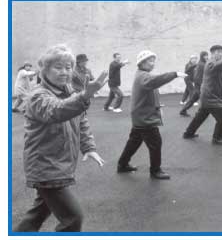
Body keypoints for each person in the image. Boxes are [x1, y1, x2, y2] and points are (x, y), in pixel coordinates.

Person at [13, 44, 108, 232]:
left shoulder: (70, 92)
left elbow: (81, 121)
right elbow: (55, 111)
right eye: (58, 67)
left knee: (37, 215)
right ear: (45, 70)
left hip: (59, 165)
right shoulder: (37, 96)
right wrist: (85, 95)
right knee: (73, 218)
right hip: (45, 167)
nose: (65, 72)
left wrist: (89, 147)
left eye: (68, 67)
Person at [116, 50, 188, 179]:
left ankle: (122, 164)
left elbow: (150, 90)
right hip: (144, 118)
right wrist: (174, 74)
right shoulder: (143, 76)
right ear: (142, 62)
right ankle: (155, 171)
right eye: (150, 60)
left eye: (153, 60)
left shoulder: (143, 75)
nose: (153, 63)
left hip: (141, 115)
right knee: (155, 143)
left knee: (134, 141)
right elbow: (156, 81)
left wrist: (157, 107)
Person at [183, 45, 222, 145]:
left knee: (201, 116)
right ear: (212, 53)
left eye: (221, 52)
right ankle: (217, 138)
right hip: (210, 97)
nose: (220, 54)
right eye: (218, 52)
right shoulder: (211, 63)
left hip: (208, 97)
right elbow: (218, 67)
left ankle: (188, 133)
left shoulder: (217, 65)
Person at [180, 51, 208, 117]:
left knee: (193, 99)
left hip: (199, 84)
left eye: (207, 55)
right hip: (199, 84)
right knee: (203, 98)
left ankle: (183, 110)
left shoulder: (201, 63)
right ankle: (199, 112)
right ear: (202, 56)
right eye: (205, 55)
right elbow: (188, 70)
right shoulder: (202, 64)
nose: (207, 57)